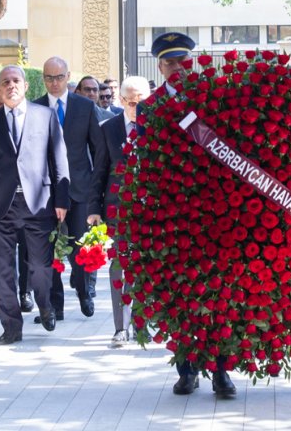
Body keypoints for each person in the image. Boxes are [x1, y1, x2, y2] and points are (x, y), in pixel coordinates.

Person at [144, 31, 239, 399]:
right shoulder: (151, 106)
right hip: (171, 216)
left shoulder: (214, 100)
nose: (177, 69)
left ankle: (221, 372)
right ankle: (187, 369)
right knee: (178, 297)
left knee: (220, 294)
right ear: (160, 66)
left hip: (215, 213)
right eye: (169, 63)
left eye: (183, 62)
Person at [0, 65, 70, 344]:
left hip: (39, 204)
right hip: (2, 205)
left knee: (40, 267)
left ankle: (45, 303)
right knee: (3, 270)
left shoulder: (45, 116)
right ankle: (11, 326)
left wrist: (62, 199)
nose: (11, 85)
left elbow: (59, 160)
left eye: (15, 81)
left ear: (25, 86)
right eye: (5, 82)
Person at [37, 56, 105, 321]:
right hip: (46, 193)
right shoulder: (35, 108)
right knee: (49, 252)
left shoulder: (84, 107)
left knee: (80, 248)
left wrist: (97, 189)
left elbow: (98, 151)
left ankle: (84, 291)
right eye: (49, 78)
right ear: (43, 79)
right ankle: (55, 306)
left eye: (59, 77)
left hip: (79, 190)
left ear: (68, 77)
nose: (54, 83)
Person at [93, 74, 151, 346]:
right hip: (118, 208)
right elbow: (100, 171)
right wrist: (93, 208)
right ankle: (121, 327)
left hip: (151, 208)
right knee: (120, 266)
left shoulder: (156, 125)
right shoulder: (109, 128)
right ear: (121, 100)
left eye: (141, 102)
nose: (135, 107)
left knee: (144, 267)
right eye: (130, 102)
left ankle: (141, 324)